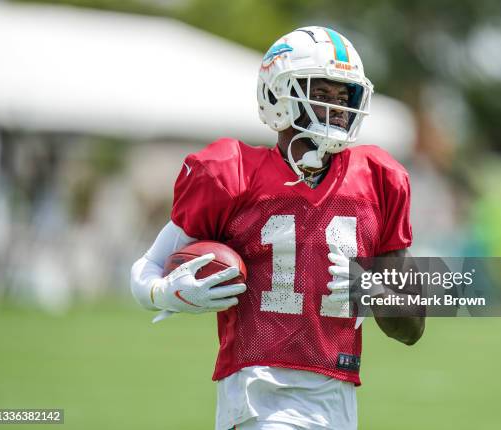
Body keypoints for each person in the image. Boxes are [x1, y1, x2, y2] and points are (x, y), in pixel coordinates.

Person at [131, 26, 424, 430]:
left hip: (337, 401)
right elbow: (145, 271)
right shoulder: (230, 174)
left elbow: (412, 327)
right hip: (257, 396)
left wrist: (372, 290)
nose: (338, 109)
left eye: (345, 97)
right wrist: (168, 292)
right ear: (278, 94)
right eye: (322, 94)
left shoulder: (379, 180)